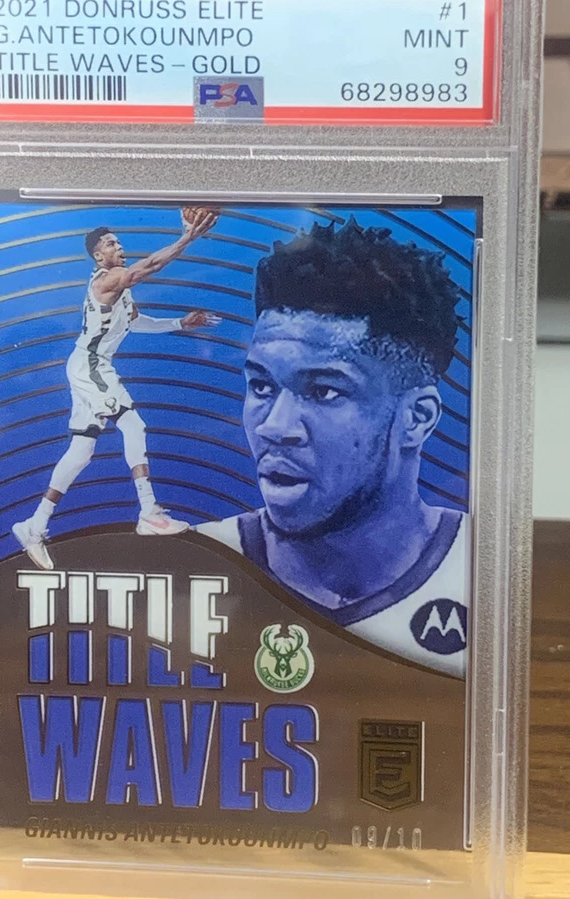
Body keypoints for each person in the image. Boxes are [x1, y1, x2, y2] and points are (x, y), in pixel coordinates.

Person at [196, 219, 469, 677]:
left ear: (416, 418)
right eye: (261, 386)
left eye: (323, 391)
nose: (275, 427)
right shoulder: (193, 564)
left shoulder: (483, 569)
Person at [13, 209, 219, 569]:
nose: (119, 246)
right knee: (133, 425)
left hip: (86, 365)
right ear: (98, 256)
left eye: (119, 242)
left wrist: (180, 324)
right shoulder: (107, 281)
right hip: (92, 364)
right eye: (111, 243)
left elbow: (136, 323)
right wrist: (187, 237)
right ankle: (149, 512)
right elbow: (150, 266)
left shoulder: (121, 289)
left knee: (81, 452)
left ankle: (34, 525)